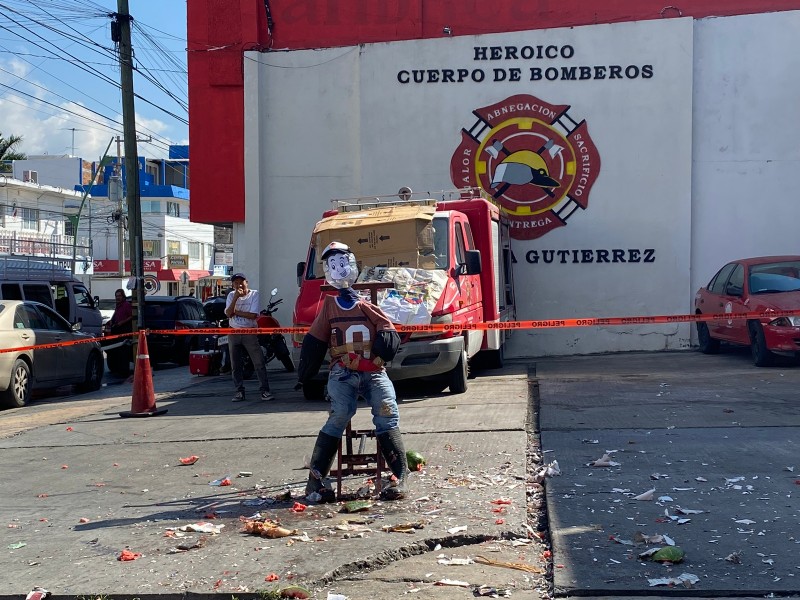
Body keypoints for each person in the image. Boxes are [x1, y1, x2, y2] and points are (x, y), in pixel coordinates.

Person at [296, 242, 407, 502]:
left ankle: (400, 477)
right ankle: (315, 480)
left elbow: (388, 331)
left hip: (374, 371)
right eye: (332, 265)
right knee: (340, 414)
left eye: (342, 263)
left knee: (387, 411)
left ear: (352, 264)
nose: (339, 269)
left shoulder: (367, 306)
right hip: (343, 372)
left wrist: (380, 356)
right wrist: (305, 372)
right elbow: (314, 341)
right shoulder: (329, 307)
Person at [224, 273, 273, 402]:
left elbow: (252, 315)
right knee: (236, 364)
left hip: (249, 332)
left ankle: (264, 390)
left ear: (247, 282)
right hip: (233, 332)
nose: (239, 285)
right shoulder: (230, 295)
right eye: (235, 283)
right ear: (233, 285)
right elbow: (229, 314)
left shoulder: (254, 294)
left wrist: (237, 312)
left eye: (241, 282)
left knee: (259, 362)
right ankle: (239, 391)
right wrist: (235, 298)